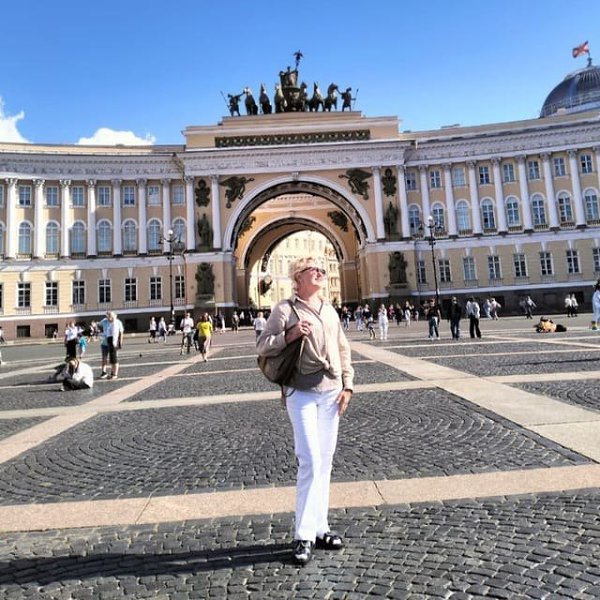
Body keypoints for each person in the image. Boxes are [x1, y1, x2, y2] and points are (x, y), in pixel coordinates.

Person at [256, 257, 354, 566]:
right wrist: (290, 335)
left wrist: (348, 385)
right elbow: (263, 345)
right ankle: (303, 534)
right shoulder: (284, 310)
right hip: (301, 394)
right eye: (315, 269)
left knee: (324, 462)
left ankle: (320, 527)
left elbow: (342, 348)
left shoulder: (329, 310)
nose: (321, 273)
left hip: (331, 392)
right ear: (298, 276)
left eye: (323, 269)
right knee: (310, 460)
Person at [99, 310, 124, 379]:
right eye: (108, 315)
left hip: (114, 343)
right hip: (104, 342)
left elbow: (121, 332)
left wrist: (120, 342)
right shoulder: (104, 321)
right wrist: (100, 333)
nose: (109, 317)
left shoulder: (118, 322)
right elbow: (99, 325)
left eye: (110, 315)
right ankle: (104, 372)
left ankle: (114, 373)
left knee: (113, 358)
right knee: (104, 357)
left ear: (114, 316)